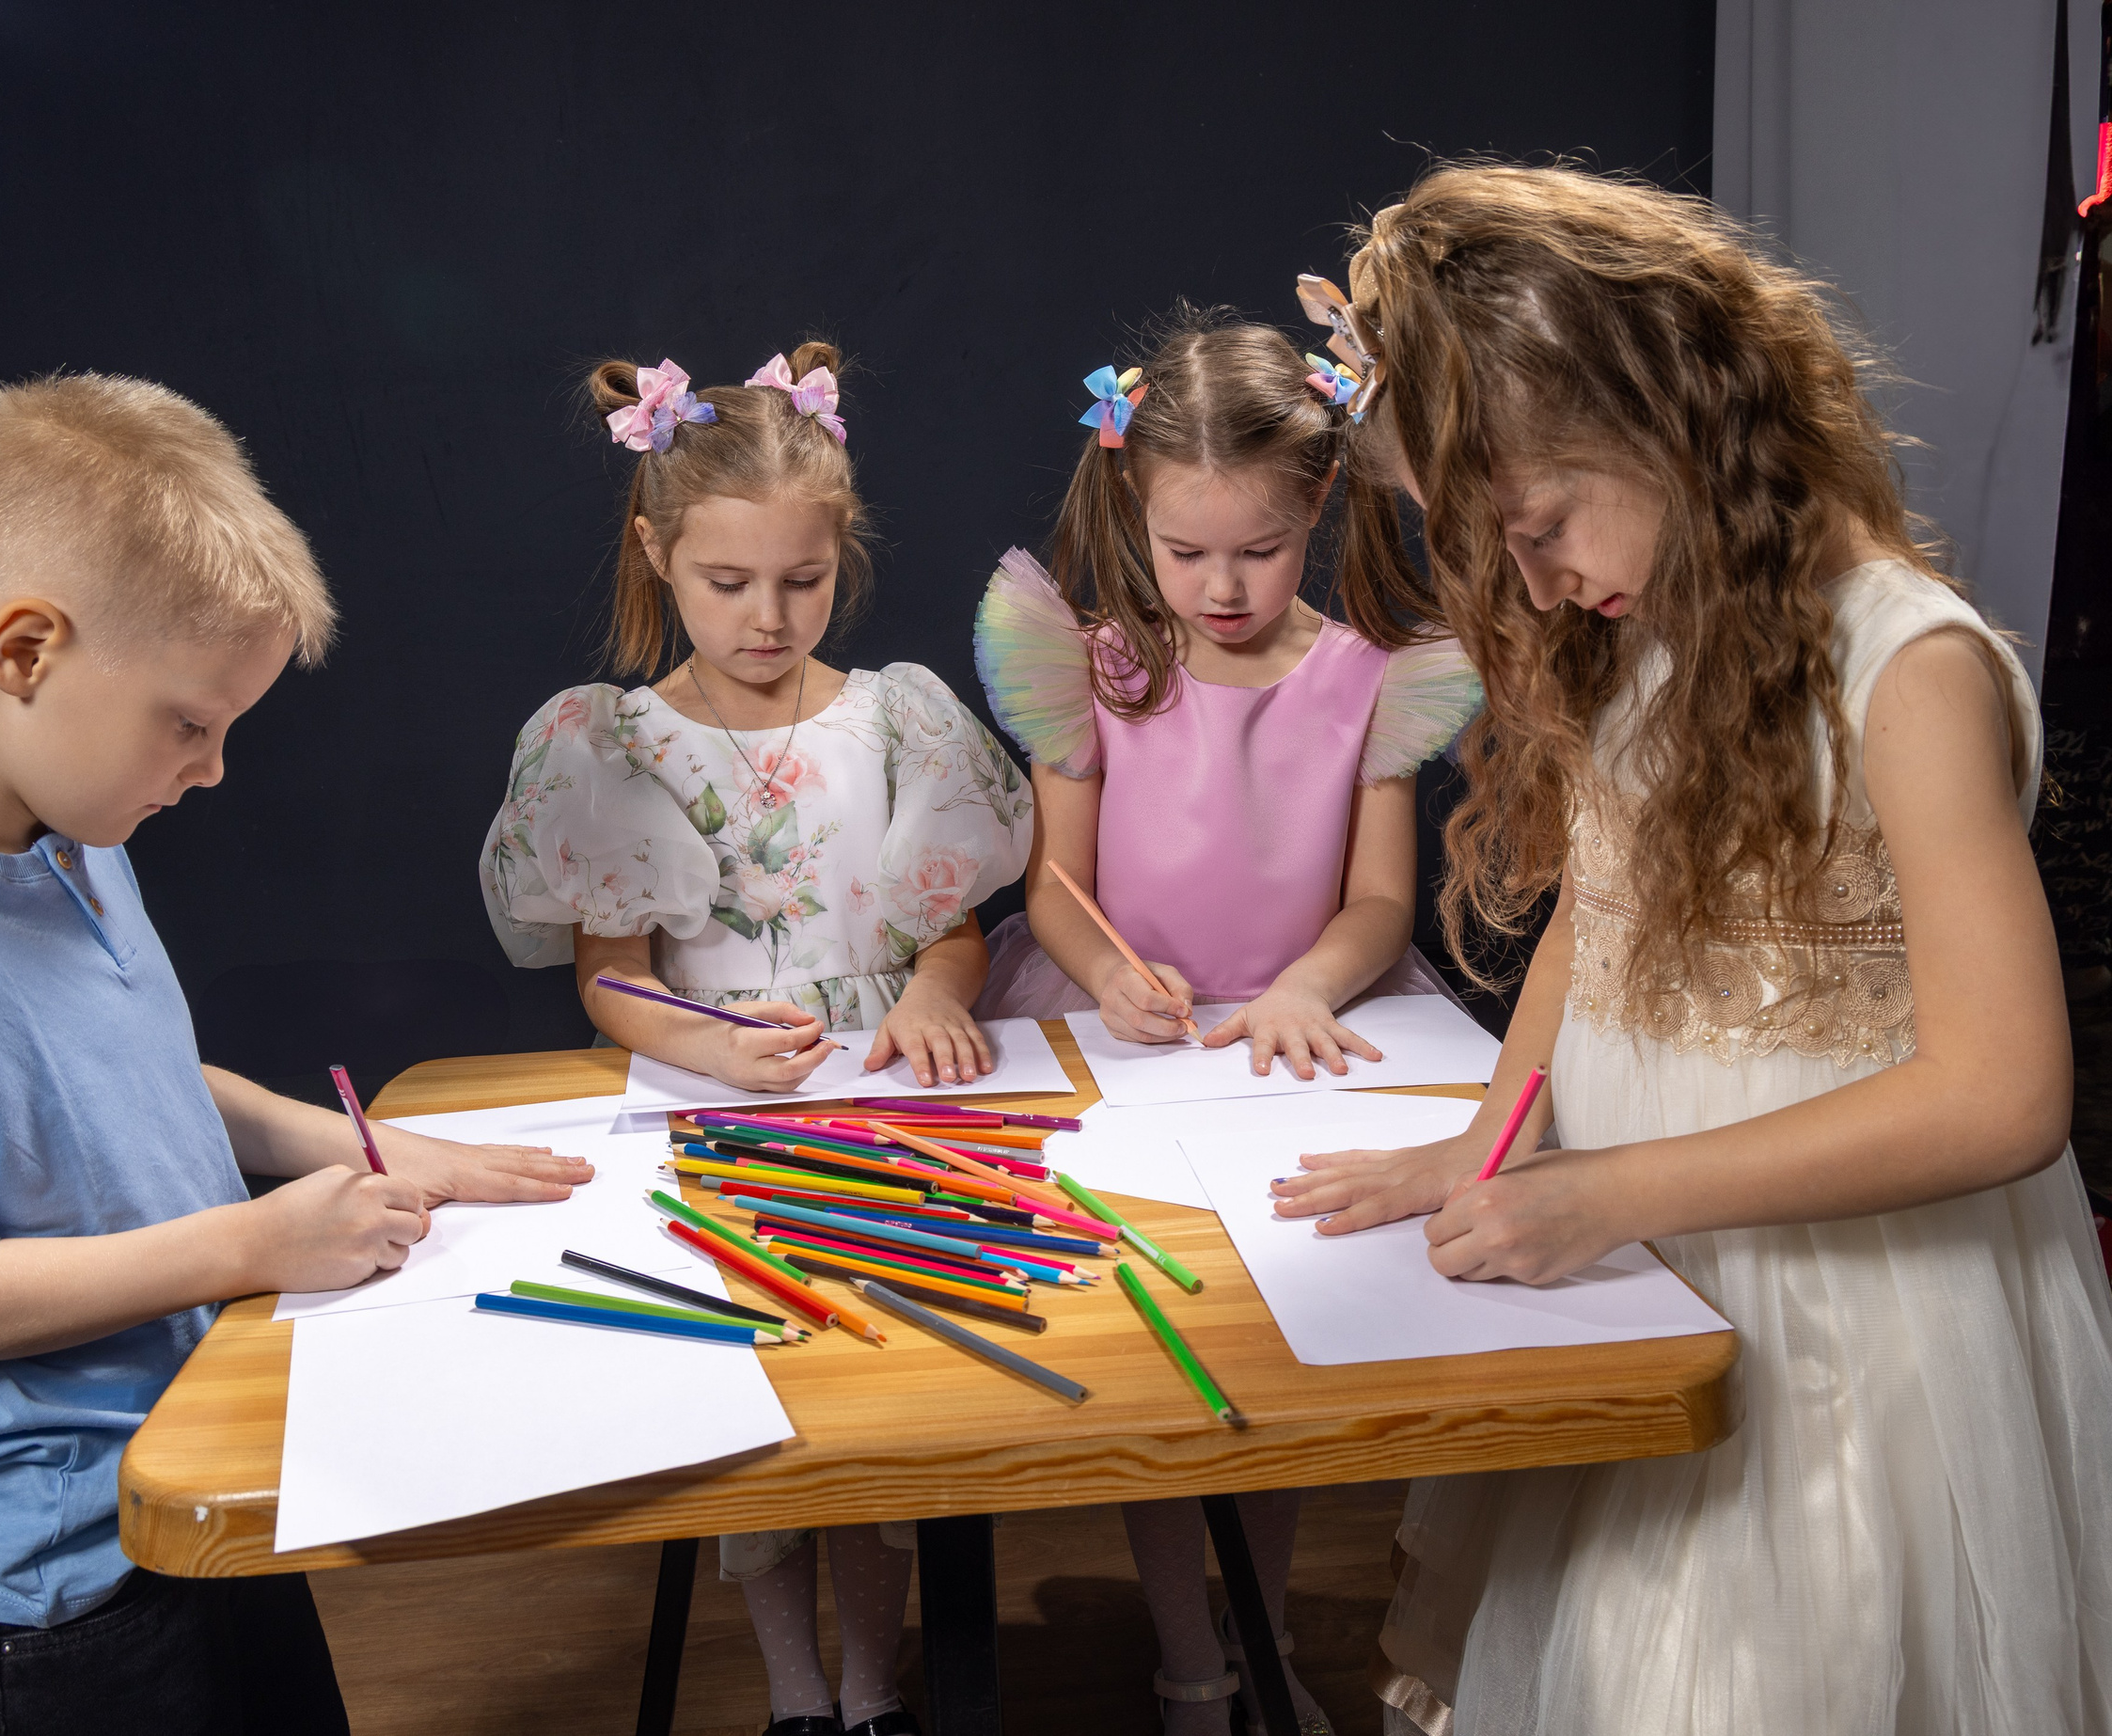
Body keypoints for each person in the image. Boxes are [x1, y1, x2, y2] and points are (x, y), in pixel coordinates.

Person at [1278, 164, 2112, 1734]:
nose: (1533, 584)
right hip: (1642, 1280)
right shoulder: (1649, 638)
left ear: (1659, 412)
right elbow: (1601, 918)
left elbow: (2006, 1093)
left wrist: (1600, 1191)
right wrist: (1492, 1139)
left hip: (1858, 1335)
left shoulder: (1905, 660)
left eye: (1534, 525)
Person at [0, 374, 594, 1736]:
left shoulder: (77, 850)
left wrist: (351, 1140)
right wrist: (248, 1248)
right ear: (24, 651)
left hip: (190, 1482)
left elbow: (121, 1085)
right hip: (49, 1602)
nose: (210, 771)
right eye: (189, 724)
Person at [480, 343, 1032, 1736]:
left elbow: (949, 924)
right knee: (763, 1417)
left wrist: (938, 992)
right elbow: (609, 980)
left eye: (805, 580)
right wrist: (704, 1044)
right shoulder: (615, 740)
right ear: (658, 550)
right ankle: (794, 1691)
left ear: (842, 553)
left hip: (881, 1104)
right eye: (730, 584)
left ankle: (870, 1688)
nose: (770, 615)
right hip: (721, 1110)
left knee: (868, 1414)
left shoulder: (897, 714)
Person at [969, 308, 1478, 1736]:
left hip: (1294, 1035)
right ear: (1135, 508)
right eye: (1185, 553)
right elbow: (1053, 882)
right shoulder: (1102, 660)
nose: (1221, 585)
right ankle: (1191, 1655)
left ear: (1317, 501)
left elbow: (1382, 899)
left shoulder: (1368, 671)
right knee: (1163, 1339)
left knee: (1277, 1350)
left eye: (1255, 550)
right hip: (1119, 1027)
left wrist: (1315, 979)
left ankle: (1262, 1637)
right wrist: (1108, 964)